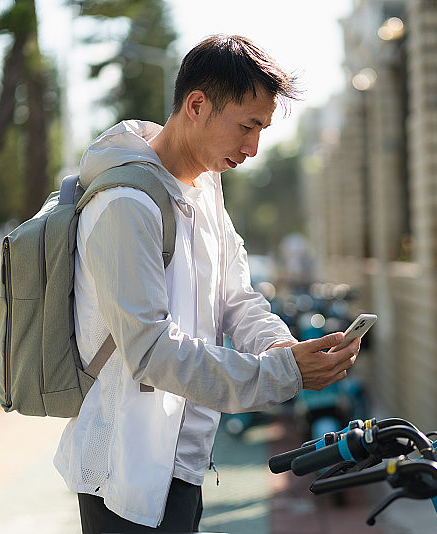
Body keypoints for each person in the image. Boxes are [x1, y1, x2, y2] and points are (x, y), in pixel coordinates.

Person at [54, 35, 360, 533]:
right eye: (247, 126)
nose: (254, 147)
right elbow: (151, 351)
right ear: (196, 105)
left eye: (261, 129)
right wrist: (282, 374)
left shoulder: (205, 188)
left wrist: (284, 347)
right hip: (125, 473)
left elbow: (237, 298)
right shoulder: (125, 203)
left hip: (183, 462)